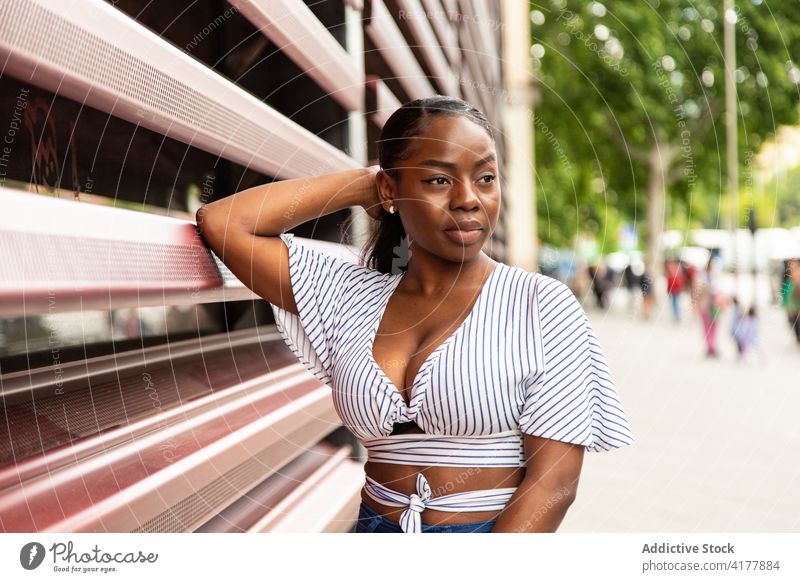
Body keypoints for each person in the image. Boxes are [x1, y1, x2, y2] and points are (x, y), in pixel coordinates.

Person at [195, 96, 634, 533]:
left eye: (485, 177)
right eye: (439, 180)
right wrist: (367, 184)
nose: (468, 199)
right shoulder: (349, 296)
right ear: (391, 190)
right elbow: (224, 223)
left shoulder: (541, 305)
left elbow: (553, 484)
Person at [696, 257, 723, 358]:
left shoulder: (712, 276)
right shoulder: (703, 277)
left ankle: (712, 346)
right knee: (708, 327)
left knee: (713, 326)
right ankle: (710, 347)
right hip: (706, 305)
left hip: (713, 305)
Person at [665, 258, 684, 322]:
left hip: (673, 289)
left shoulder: (670, 269)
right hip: (677, 289)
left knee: (674, 303)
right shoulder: (678, 269)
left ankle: (676, 316)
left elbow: (669, 281)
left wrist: (668, 289)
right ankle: (677, 316)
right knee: (676, 303)